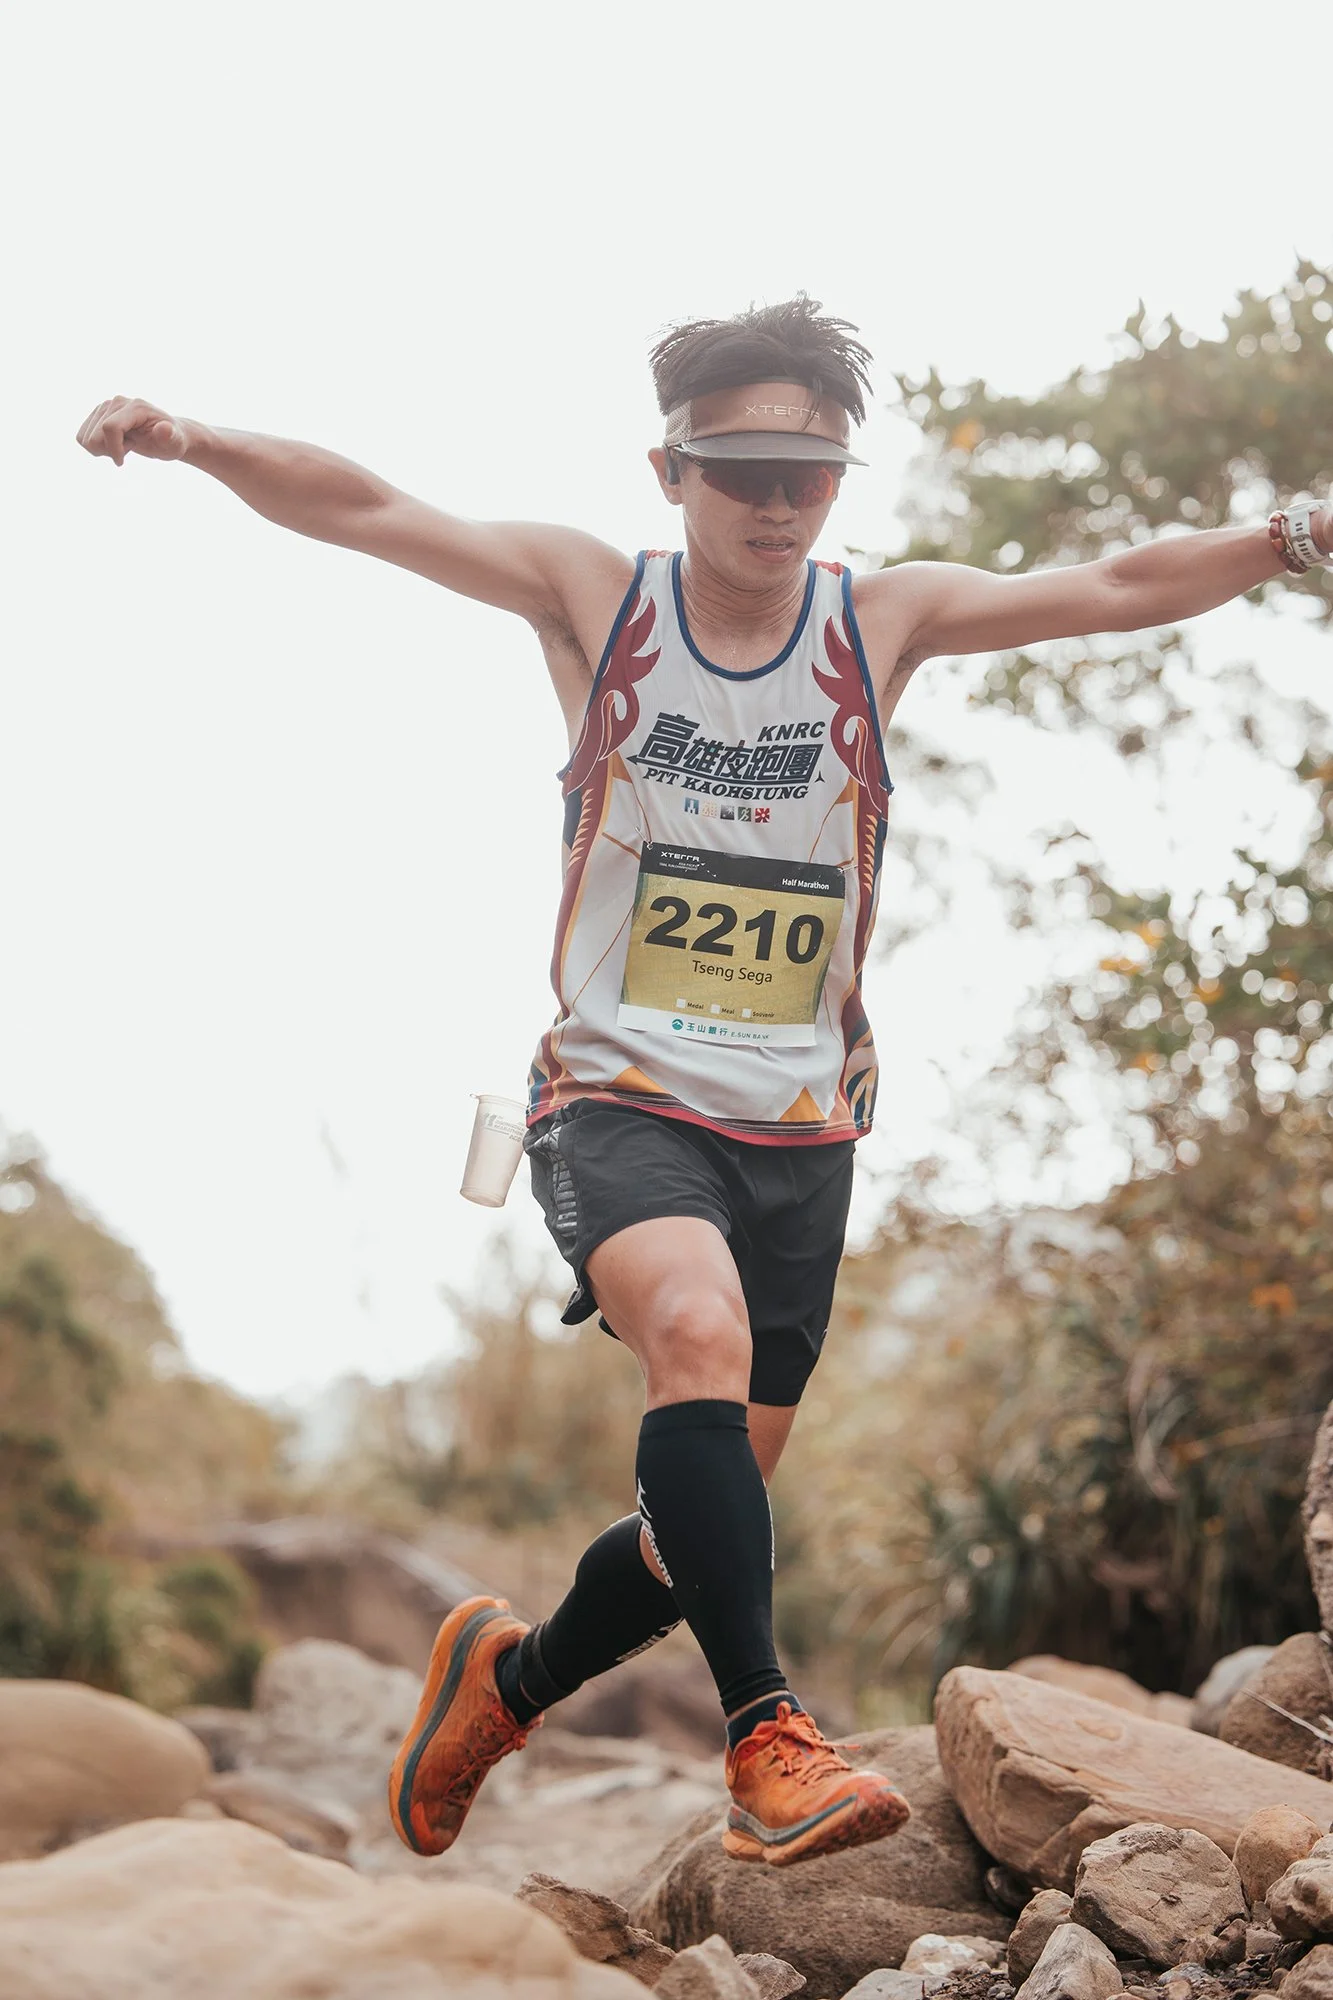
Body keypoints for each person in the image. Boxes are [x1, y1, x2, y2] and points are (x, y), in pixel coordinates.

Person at [77, 298, 1332, 1868]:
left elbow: (1115, 584)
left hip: (804, 1128)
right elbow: (370, 506)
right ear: (670, 468)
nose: (776, 501)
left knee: (699, 1526)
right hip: (617, 1098)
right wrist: (200, 442)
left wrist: (1293, 533)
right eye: (739, 467)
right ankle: (768, 1742)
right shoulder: (598, 599)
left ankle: (507, 1680)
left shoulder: (880, 624)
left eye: (808, 471)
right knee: (694, 1332)